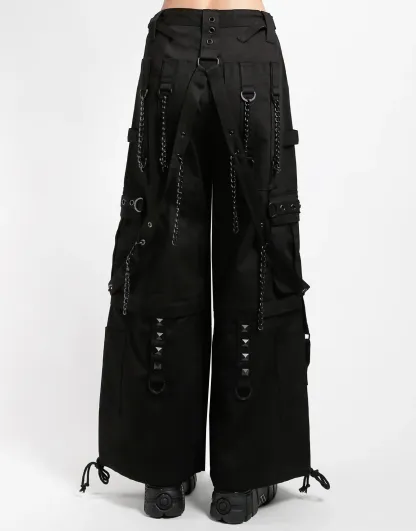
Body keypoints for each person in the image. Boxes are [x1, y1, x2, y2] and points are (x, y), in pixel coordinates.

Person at [80, 0, 330, 524]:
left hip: (172, 51)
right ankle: (241, 481)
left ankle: (163, 471)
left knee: (161, 250)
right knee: (257, 258)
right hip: (249, 52)